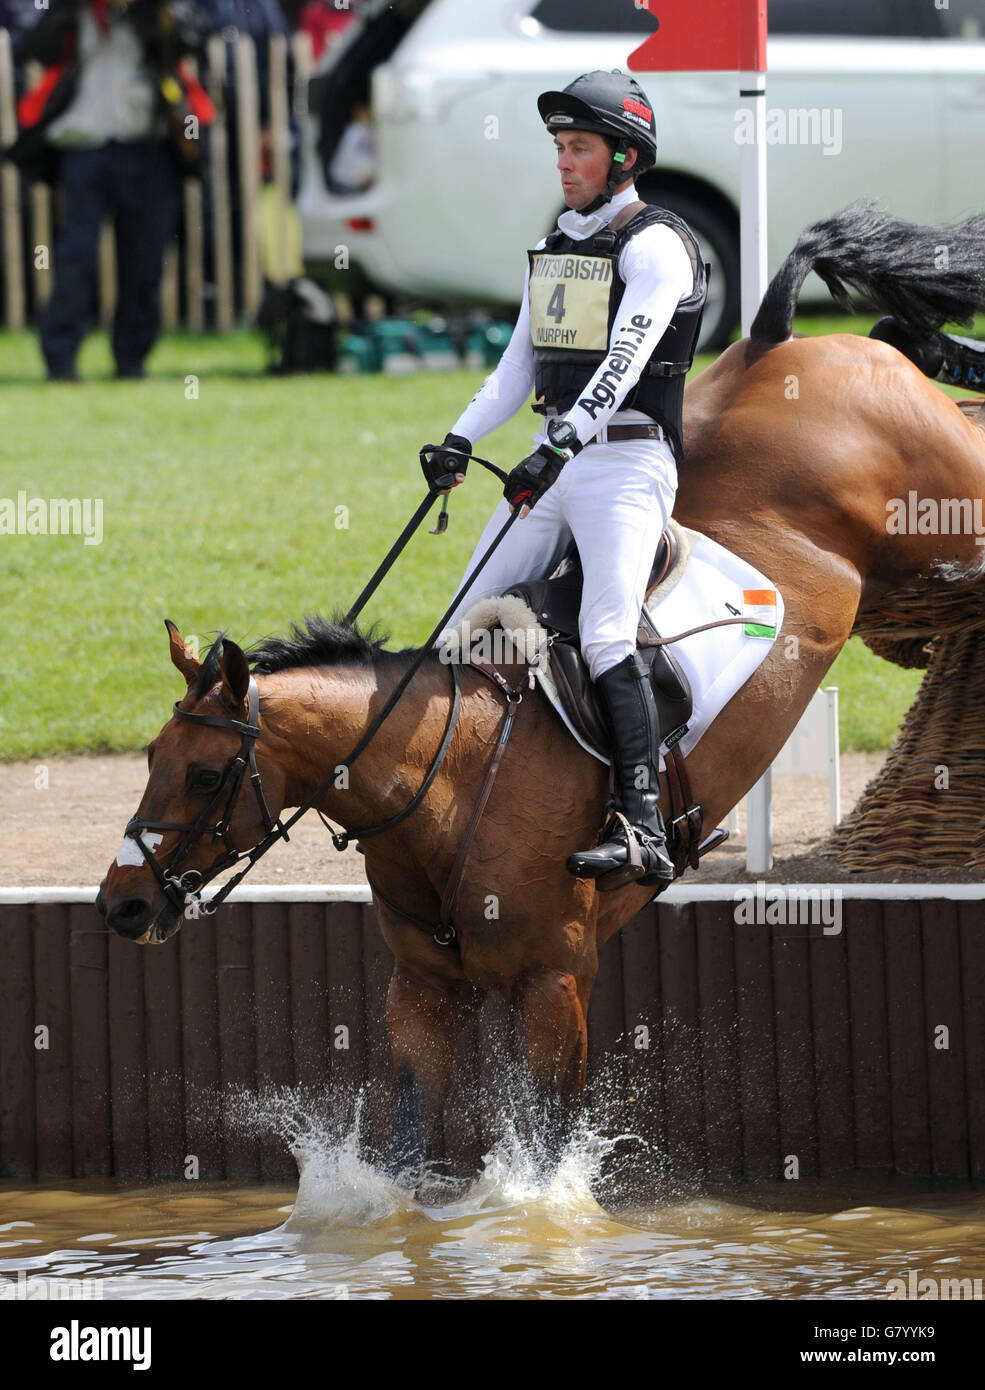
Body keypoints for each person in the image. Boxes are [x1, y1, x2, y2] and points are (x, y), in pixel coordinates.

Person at [420, 70, 707, 889]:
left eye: (577, 147)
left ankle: (643, 824)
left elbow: (627, 356)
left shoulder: (656, 244)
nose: (563, 161)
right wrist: (457, 437)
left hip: (624, 460)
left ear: (623, 156)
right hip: (559, 456)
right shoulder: (561, 243)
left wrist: (566, 438)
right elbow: (519, 365)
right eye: (558, 146)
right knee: (464, 617)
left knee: (607, 630)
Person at [7, 0, 212, 381]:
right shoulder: (69, 10)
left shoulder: (160, 11)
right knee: (76, 256)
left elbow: (193, 39)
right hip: (84, 148)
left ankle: (131, 361)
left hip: (147, 146)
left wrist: (143, 11)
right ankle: (60, 360)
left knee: (145, 260)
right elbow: (35, 47)